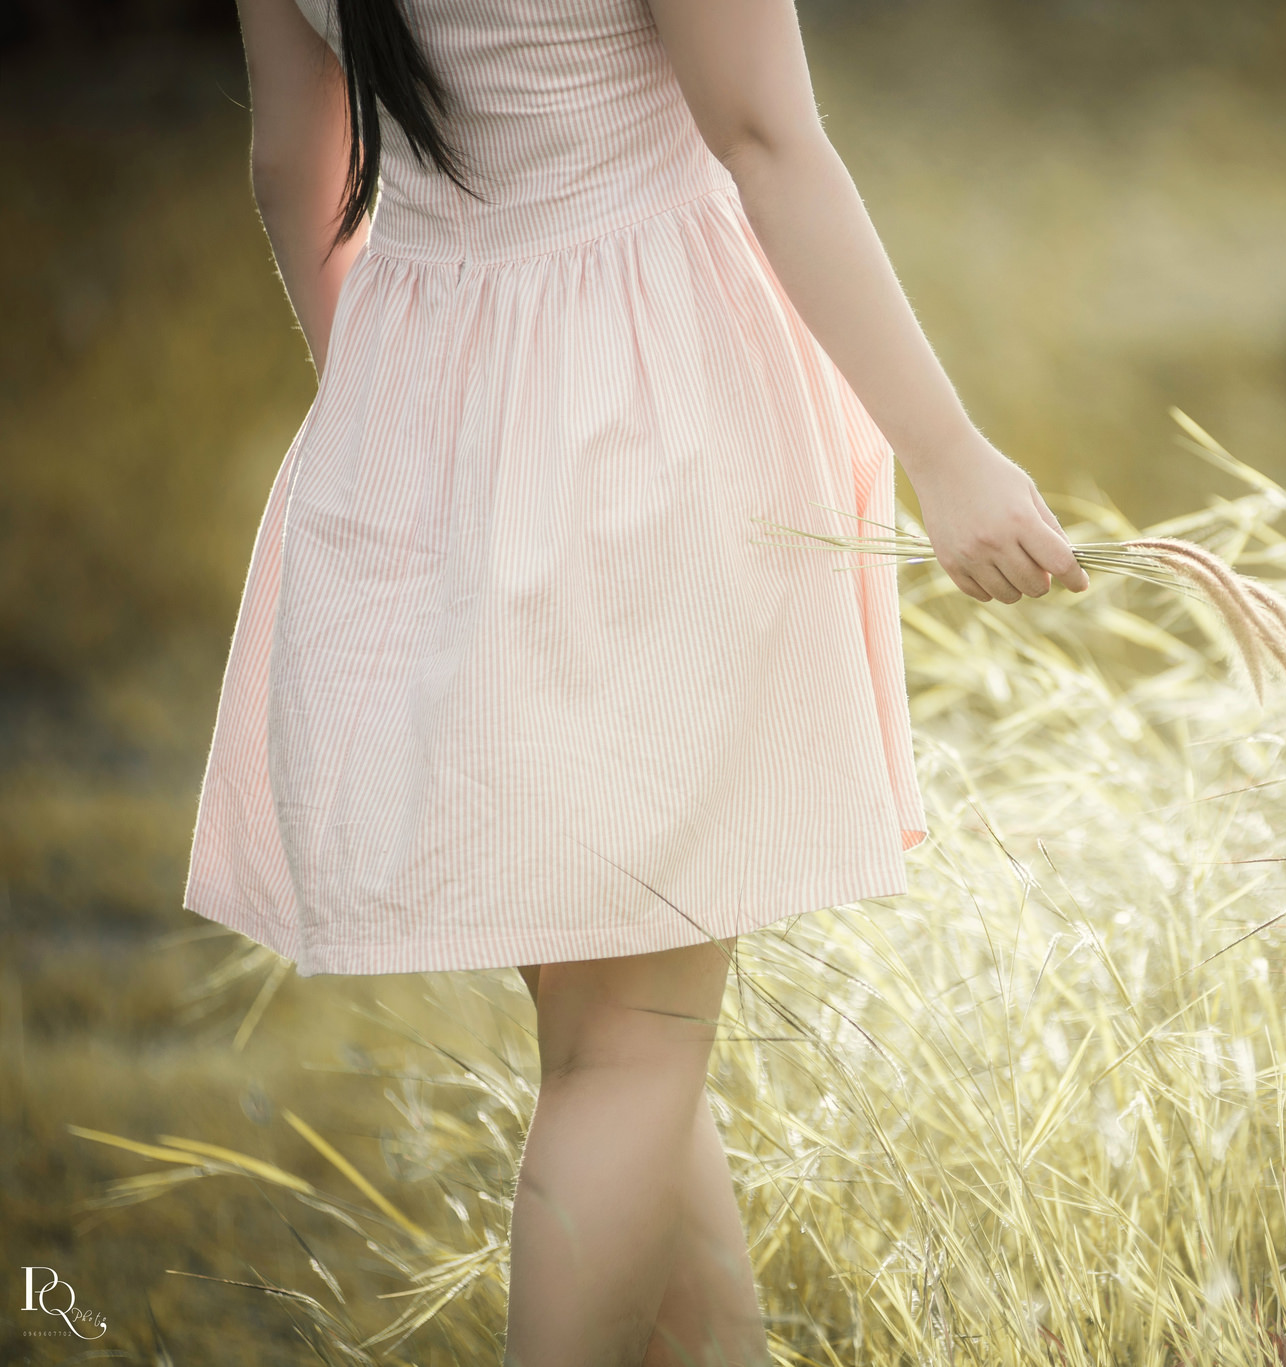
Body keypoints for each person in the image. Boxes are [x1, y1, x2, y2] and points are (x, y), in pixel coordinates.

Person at [186, 0, 1090, 1361]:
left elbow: (287, 165)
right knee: (630, 1050)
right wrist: (948, 453)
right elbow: (766, 139)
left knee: (613, 1031)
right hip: (647, 414)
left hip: (429, 400)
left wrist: (401, 410)